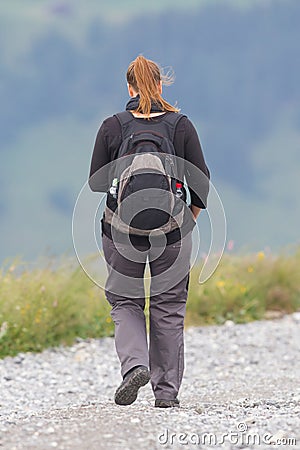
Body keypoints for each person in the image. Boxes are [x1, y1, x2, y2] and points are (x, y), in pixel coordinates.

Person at [89, 55, 210, 408]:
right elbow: (201, 182)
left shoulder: (113, 125)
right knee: (168, 307)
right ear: (160, 85)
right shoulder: (180, 125)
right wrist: (188, 219)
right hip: (172, 231)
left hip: (120, 231)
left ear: (129, 88)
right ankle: (166, 396)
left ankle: (135, 367)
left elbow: (97, 183)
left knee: (125, 301)